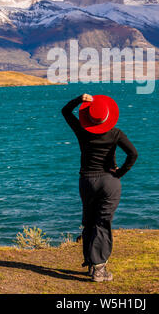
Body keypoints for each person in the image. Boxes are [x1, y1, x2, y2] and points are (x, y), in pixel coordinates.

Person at [61, 93, 138, 282]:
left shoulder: (81, 130)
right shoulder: (115, 133)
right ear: (108, 116)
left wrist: (79, 99)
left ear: (88, 118)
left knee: (89, 221)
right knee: (102, 222)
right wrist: (119, 173)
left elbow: (65, 111)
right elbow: (133, 154)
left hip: (87, 180)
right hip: (108, 181)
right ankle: (99, 268)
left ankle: (90, 262)